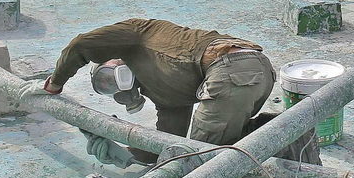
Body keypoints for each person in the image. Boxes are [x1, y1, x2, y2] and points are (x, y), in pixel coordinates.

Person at [26, 17, 279, 162]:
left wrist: (54, 84)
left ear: (113, 58)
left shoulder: (137, 33)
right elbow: (167, 147)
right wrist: (122, 153)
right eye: (108, 87)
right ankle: (282, 135)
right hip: (256, 74)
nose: (114, 83)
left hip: (229, 67)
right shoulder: (168, 95)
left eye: (108, 75)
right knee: (204, 153)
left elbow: (81, 45)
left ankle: (278, 140)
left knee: (197, 162)